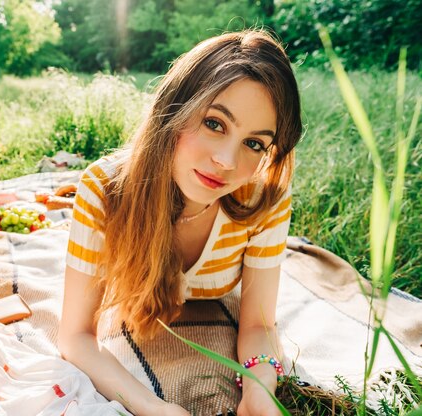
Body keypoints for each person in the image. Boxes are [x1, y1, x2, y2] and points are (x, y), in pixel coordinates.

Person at [58, 29, 302, 416]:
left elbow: (257, 324)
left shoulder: (262, 199)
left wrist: (258, 391)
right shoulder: (105, 190)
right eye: (214, 123)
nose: (226, 160)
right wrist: (155, 408)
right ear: (173, 109)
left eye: (254, 143)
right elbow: (74, 337)